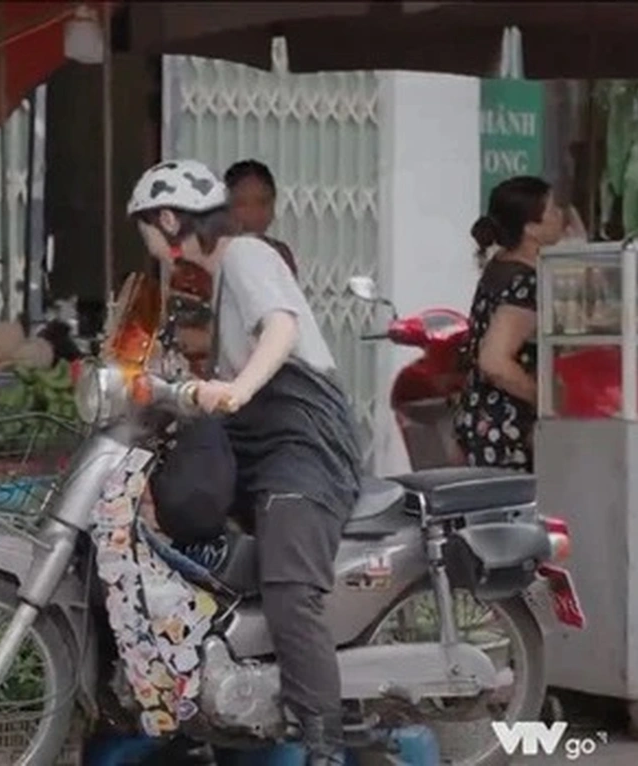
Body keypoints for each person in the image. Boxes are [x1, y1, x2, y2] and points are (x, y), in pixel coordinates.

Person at [128, 159, 362, 765]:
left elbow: (280, 329)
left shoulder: (247, 256)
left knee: (290, 589)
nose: (148, 242)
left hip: (304, 447)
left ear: (170, 219)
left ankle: (324, 745)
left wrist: (238, 387)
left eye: (147, 228)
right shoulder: (218, 283)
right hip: (261, 448)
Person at [454, 176, 563, 472]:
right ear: (531, 229)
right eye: (552, 211)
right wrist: (546, 400)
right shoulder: (525, 282)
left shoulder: (501, 266)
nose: (560, 216)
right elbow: (494, 361)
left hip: (481, 419)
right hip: (506, 430)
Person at [225, 159, 299, 277]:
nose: (253, 212)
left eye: (262, 202)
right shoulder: (213, 256)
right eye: (241, 203)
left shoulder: (280, 254)